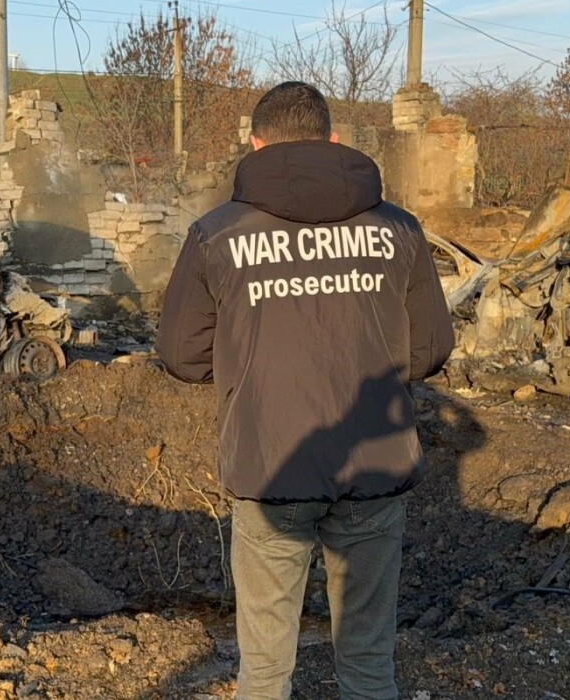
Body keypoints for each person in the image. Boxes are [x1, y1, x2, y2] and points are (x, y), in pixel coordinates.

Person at [155, 81, 453, 699]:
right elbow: (429, 351)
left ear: (255, 145)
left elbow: (182, 356)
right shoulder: (399, 230)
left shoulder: (216, 233)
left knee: (264, 671)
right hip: (375, 466)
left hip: (272, 464)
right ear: (334, 140)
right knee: (368, 663)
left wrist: (250, 363)